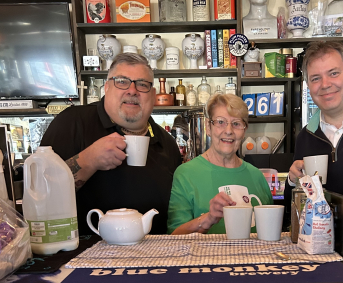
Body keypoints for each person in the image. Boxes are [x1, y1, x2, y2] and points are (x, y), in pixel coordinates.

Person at [40, 53, 181, 235]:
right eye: (122, 81)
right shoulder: (72, 122)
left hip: (153, 258)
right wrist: (88, 161)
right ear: (106, 87)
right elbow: (41, 196)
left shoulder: (166, 142)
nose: (132, 90)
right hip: (83, 257)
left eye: (142, 84)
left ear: (153, 95)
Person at [285, 41, 343, 223]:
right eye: (315, 78)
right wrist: (292, 182)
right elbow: (293, 211)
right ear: (308, 86)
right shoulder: (305, 137)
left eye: (333, 73)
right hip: (321, 247)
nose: (325, 85)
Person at [167, 93, 273, 235]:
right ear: (208, 127)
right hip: (203, 257)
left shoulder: (257, 176)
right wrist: (209, 218)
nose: (228, 131)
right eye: (220, 122)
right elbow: (174, 237)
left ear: (244, 130)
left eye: (236, 123)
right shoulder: (186, 174)